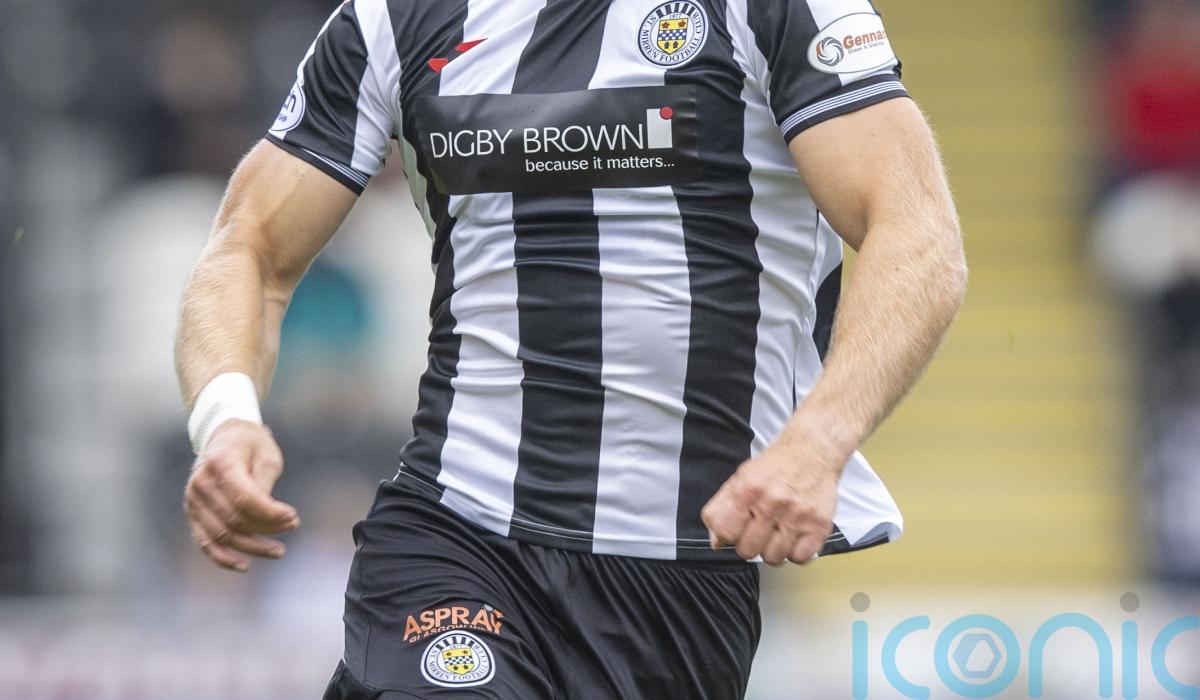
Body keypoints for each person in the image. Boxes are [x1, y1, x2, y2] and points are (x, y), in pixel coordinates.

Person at [174, 0, 967, 697]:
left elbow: (917, 233)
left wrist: (817, 444)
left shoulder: (777, 9)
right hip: (460, 525)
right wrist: (226, 416)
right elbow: (250, 245)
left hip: (680, 580)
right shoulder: (397, 16)